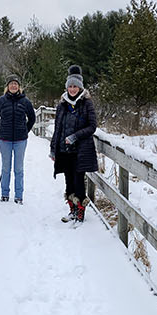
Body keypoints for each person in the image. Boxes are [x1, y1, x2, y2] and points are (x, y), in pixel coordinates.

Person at [49, 65, 98, 223]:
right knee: (68, 181)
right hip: (64, 151)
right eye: (70, 86)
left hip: (80, 150)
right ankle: (72, 210)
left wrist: (76, 136)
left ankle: (80, 212)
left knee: (78, 181)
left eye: (75, 86)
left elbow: (92, 126)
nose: (72, 89)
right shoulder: (62, 104)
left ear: (80, 87)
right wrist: (53, 149)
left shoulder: (86, 103)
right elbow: (58, 128)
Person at [0, 74, 36, 203]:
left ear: (19, 86)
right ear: (7, 86)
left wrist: (25, 129)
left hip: (20, 140)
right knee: (6, 168)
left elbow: (32, 118)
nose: (13, 86)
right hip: (4, 139)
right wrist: (2, 128)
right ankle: (5, 194)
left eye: (16, 84)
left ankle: (18, 195)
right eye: (11, 84)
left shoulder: (25, 101)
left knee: (19, 169)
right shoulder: (0, 101)